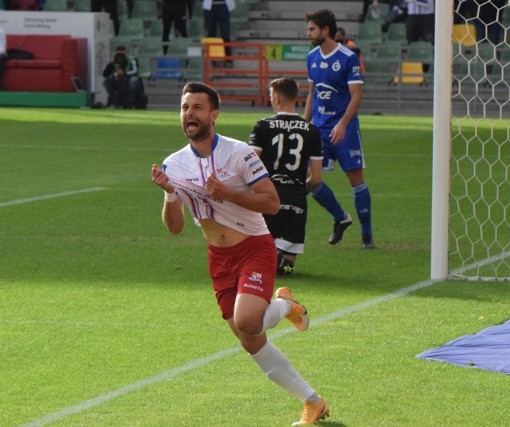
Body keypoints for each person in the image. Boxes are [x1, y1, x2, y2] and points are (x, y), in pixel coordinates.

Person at [151, 82, 330, 426]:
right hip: (218, 259)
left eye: (197, 108)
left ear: (214, 115)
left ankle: (285, 306)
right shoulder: (175, 163)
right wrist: (170, 194)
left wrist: (227, 194)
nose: (190, 113)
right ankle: (313, 401)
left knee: (249, 320)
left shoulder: (238, 154)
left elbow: (272, 203)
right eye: (185, 107)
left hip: (253, 246)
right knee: (251, 342)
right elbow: (174, 228)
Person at [304, 9, 375, 249]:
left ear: (325, 30)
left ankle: (367, 236)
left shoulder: (348, 57)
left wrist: (343, 124)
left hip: (345, 128)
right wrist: (305, 126)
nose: (308, 33)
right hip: (320, 128)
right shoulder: (312, 56)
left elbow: (357, 96)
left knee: (355, 179)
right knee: (311, 180)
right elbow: (312, 93)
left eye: (312, 29)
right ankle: (341, 218)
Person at [248, 77, 323, 275]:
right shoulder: (312, 131)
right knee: (288, 267)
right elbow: (316, 178)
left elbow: (250, 164)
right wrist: (298, 191)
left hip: (267, 198)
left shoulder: (262, 127)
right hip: (296, 201)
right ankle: (279, 262)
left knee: (259, 254)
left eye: (272, 97)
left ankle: (262, 263)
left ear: (277, 98)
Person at [202, 0, 234, 65]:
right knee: (210, 33)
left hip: (223, 4)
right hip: (209, 6)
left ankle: (228, 58)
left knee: (225, 33)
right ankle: (212, 59)